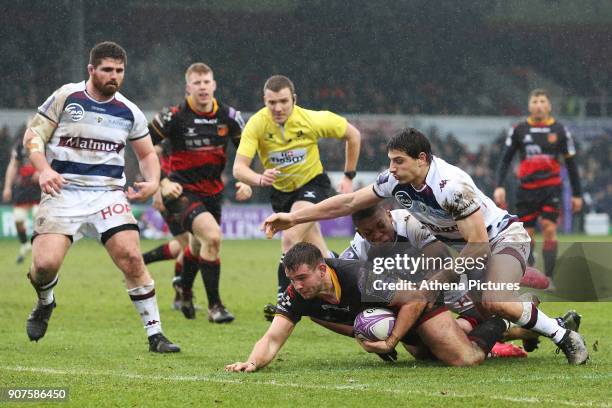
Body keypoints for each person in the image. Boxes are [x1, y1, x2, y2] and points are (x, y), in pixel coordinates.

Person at [263, 128, 588, 365]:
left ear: (422, 159)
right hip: (467, 251)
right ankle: (544, 323)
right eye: (390, 161)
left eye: (398, 161)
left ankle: (565, 337)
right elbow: (348, 201)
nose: (391, 168)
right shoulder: (397, 180)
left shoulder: (452, 188)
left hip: (502, 238)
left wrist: (437, 279)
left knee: (494, 300)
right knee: (484, 314)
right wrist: (293, 219)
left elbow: (478, 245)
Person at [22, 41, 179, 353]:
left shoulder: (129, 111)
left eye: (119, 71)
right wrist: (44, 170)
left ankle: (156, 334)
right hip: (62, 192)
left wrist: (153, 181)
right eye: (107, 69)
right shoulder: (67, 97)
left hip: (107, 194)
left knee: (132, 257)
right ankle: (45, 302)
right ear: (91, 69)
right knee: (44, 265)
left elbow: (147, 153)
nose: (114, 76)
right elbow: (33, 136)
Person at [225, 242, 509, 372]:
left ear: (322, 269)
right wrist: (252, 362)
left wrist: (391, 341)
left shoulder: (362, 279)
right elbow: (273, 337)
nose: (298, 286)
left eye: (302, 278)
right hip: (394, 311)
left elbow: (416, 298)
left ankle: (500, 323)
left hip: (419, 298)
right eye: (292, 280)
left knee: (463, 359)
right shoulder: (297, 294)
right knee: (427, 356)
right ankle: (489, 326)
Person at [341, 205, 582, 357]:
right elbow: (342, 277)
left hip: (456, 286)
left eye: (380, 227)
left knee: (483, 321)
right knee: (422, 352)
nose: (377, 236)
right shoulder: (359, 246)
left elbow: (441, 257)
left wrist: (412, 291)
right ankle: (532, 326)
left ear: (388, 213)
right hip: (422, 301)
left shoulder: (410, 221)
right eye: (368, 234)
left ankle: (543, 322)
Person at [232, 74, 361, 315]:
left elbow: (353, 134)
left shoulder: (312, 119)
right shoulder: (257, 124)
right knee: (320, 253)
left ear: (294, 99)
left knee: (290, 238)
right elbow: (238, 168)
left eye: (283, 101)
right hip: (281, 194)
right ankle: (350, 276)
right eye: (272, 103)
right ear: (265, 100)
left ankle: (284, 304)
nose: (278, 108)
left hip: (312, 184)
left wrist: (349, 176)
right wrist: (258, 179)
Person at [149, 62, 251, 323]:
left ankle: (183, 288)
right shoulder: (173, 116)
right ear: (188, 88)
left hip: (212, 193)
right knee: (213, 238)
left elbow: (246, 151)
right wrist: (160, 182)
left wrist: (246, 179)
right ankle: (215, 306)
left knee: (197, 244)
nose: (203, 87)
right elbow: (144, 148)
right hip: (181, 191)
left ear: (214, 85)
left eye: (207, 82)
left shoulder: (229, 117)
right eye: (197, 83)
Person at [494, 89, 583, 279]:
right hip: (526, 190)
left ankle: (549, 278)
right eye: (535, 101)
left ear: (549, 105)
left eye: (542, 101)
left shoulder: (559, 130)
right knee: (526, 235)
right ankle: (531, 270)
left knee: (550, 228)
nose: (539, 105)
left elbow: (571, 164)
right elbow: (505, 160)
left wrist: (577, 194)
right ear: (529, 105)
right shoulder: (519, 130)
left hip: (551, 189)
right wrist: (499, 185)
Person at [3, 139, 41, 263]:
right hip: (23, 188)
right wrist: (7, 187)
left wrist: (42, 172)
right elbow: (13, 165)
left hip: (39, 187)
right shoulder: (20, 146)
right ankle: (25, 244)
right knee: (18, 219)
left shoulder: (46, 143)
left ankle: (41, 248)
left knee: (38, 216)